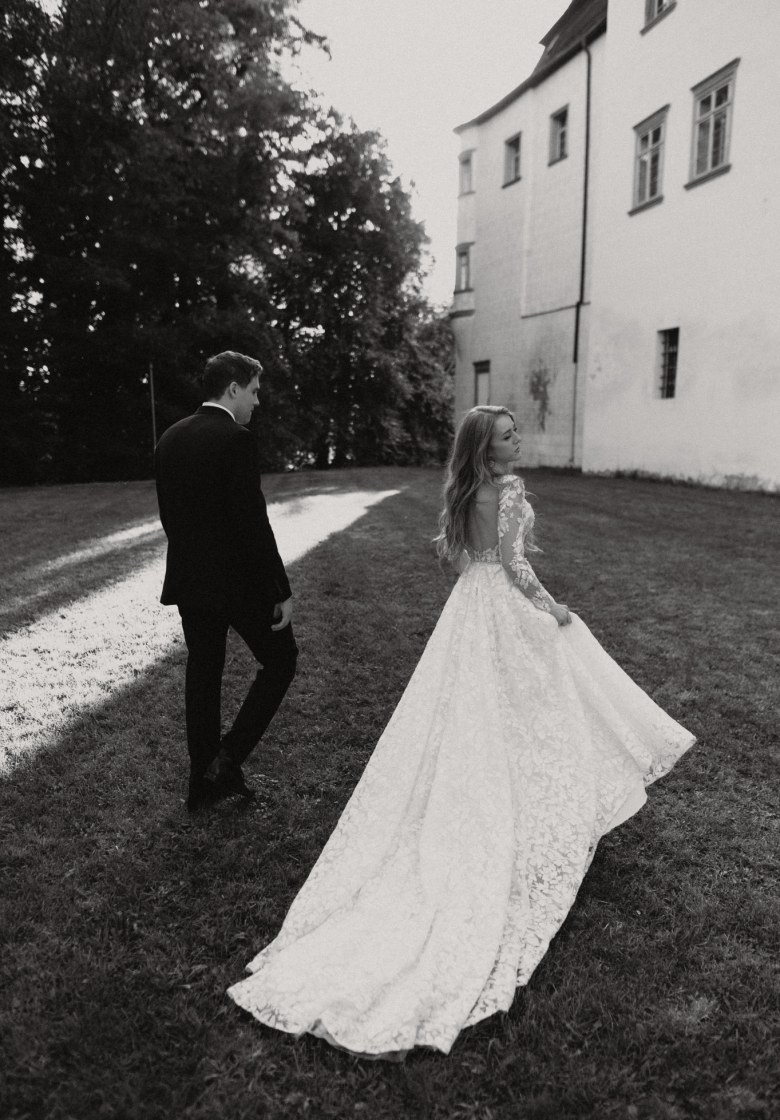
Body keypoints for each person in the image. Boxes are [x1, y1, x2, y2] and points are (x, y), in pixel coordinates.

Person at [227, 405, 694, 1057]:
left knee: (471, 709)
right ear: (486, 446)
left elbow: (468, 561)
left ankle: (499, 790)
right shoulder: (507, 491)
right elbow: (514, 565)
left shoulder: (466, 489)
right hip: (501, 604)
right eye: (506, 435)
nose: (517, 439)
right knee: (533, 698)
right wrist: (552, 606)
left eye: (515, 431)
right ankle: (536, 798)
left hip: (468, 605)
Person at [154, 351, 297, 813]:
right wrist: (280, 590)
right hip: (237, 584)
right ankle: (227, 759)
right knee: (281, 661)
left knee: (204, 674)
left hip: (190, 580)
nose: (257, 401)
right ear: (233, 388)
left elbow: (169, 518)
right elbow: (253, 524)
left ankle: (201, 787)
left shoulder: (170, 437)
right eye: (253, 391)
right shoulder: (235, 438)